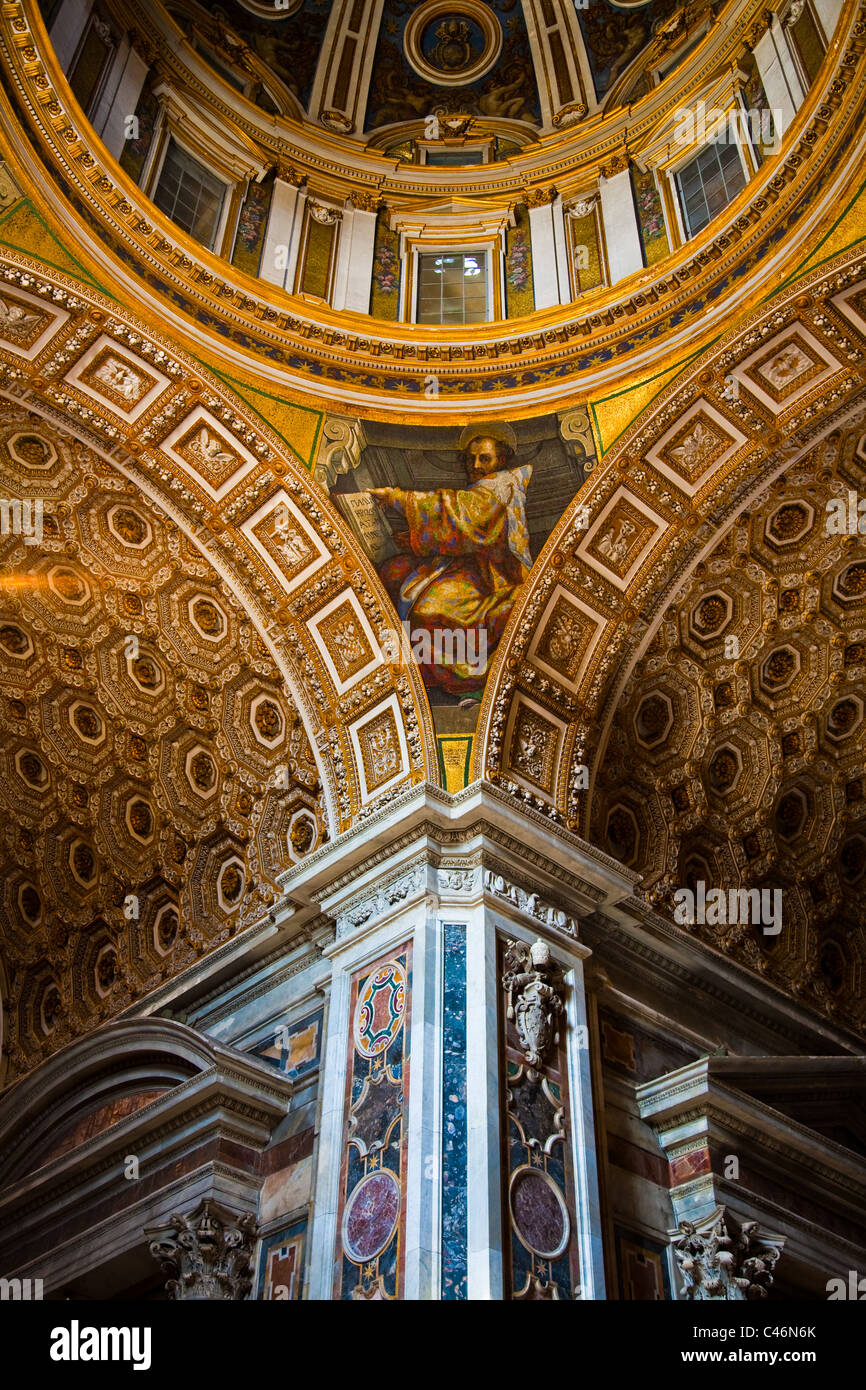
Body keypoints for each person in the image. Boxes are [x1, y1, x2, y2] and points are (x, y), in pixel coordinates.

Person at [368, 424, 532, 697]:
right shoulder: (486, 488)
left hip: (492, 578)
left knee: (428, 610)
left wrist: (399, 498)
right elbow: (461, 530)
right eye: (471, 458)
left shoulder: (502, 487)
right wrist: (415, 539)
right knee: (392, 572)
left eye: (484, 458)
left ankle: (434, 675)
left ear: (501, 460)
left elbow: (461, 514)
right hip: (464, 565)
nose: (475, 465)